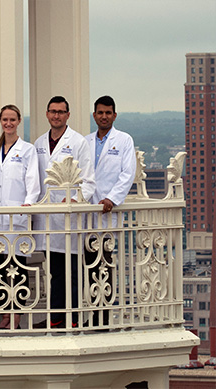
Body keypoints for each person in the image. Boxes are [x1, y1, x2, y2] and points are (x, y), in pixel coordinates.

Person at [33, 96, 95, 329]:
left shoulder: (78, 142)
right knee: (54, 270)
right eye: (52, 111)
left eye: (60, 112)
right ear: (47, 114)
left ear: (68, 115)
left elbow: (89, 181)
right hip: (47, 216)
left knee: (71, 271)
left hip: (68, 217)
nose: (56, 116)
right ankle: (57, 316)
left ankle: (71, 317)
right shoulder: (39, 143)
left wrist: (77, 198)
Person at [0, 105, 41, 330]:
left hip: (17, 216)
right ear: (0, 121)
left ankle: (17, 312)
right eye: (5, 119)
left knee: (17, 267)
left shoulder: (27, 150)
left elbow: (33, 182)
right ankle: (4, 311)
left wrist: (27, 205)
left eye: (12, 119)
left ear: (19, 121)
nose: (8, 123)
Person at [84, 96, 136, 327]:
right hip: (86, 212)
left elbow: (127, 174)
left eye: (108, 112)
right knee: (86, 267)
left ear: (114, 115)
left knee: (104, 267)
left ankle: (102, 317)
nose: (104, 116)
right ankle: (88, 316)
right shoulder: (85, 142)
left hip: (107, 212)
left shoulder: (124, 140)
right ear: (94, 115)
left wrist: (112, 199)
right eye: (100, 112)